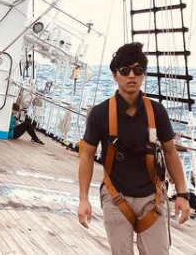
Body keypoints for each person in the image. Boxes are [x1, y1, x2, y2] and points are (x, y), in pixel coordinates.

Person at [77, 42, 190, 255]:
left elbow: (170, 151)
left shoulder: (157, 112)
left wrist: (182, 194)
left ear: (143, 75)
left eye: (138, 71)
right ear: (115, 75)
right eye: (125, 70)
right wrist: (83, 199)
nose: (132, 76)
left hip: (151, 198)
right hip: (116, 196)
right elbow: (88, 155)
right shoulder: (100, 114)